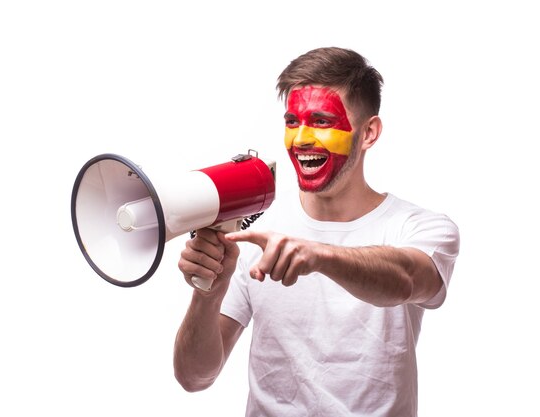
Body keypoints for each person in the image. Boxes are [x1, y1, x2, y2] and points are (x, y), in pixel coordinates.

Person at [173, 46, 460, 417]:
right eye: (292, 122)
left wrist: (319, 254)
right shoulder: (255, 232)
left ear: (369, 133)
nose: (302, 138)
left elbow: (406, 279)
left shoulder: (421, 228)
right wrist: (207, 291)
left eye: (322, 121)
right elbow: (194, 378)